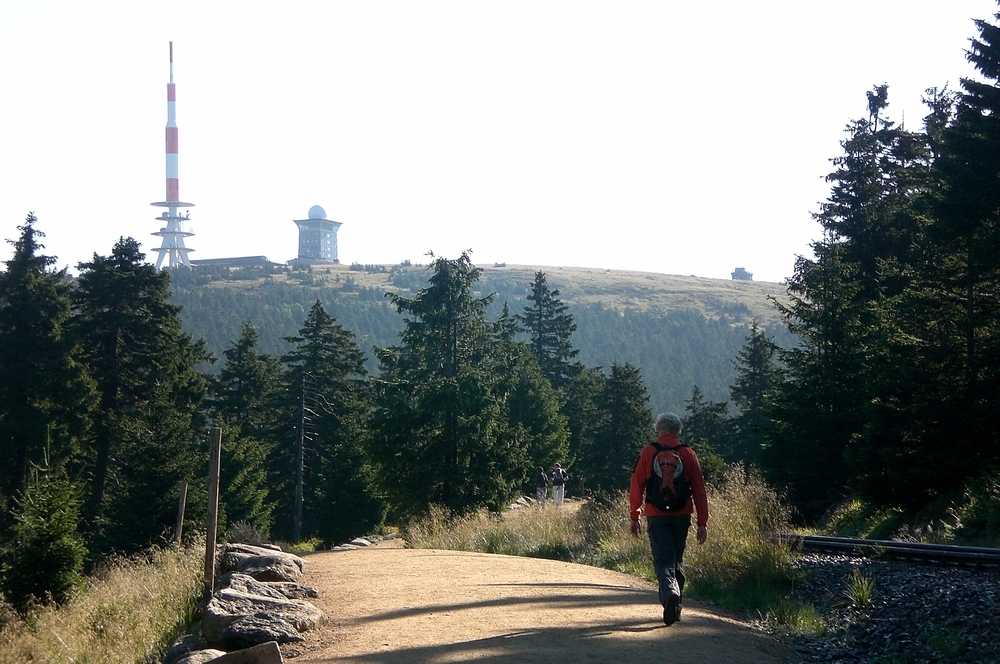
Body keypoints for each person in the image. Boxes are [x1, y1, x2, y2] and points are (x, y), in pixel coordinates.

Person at [629, 412, 709, 626]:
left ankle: (669, 594)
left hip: (656, 514)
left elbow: (636, 486)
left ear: (658, 430)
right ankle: (676, 606)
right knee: (677, 558)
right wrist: (703, 522)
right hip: (682, 513)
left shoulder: (648, 452)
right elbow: (700, 490)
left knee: (663, 559)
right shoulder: (688, 454)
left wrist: (634, 516)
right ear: (678, 431)